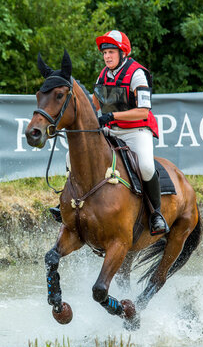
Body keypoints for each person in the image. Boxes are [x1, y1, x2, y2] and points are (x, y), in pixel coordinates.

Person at [49, 30, 169, 236]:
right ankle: (71, 203)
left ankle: (155, 214)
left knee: (147, 167)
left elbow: (143, 111)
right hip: (110, 130)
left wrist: (111, 116)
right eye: (105, 53)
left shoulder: (137, 74)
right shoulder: (103, 74)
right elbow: (94, 105)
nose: (107, 57)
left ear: (123, 53)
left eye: (112, 52)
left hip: (136, 131)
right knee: (71, 157)